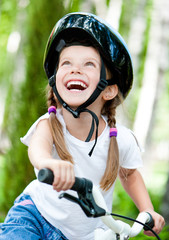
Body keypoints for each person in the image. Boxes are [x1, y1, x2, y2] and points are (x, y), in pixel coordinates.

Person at [0, 12, 165, 240]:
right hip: (34, 217)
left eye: (88, 64)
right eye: (66, 63)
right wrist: (49, 163)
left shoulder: (120, 139)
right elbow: (37, 150)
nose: (75, 69)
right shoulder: (51, 124)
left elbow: (129, 175)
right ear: (55, 80)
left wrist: (147, 210)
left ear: (108, 89)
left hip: (84, 234)